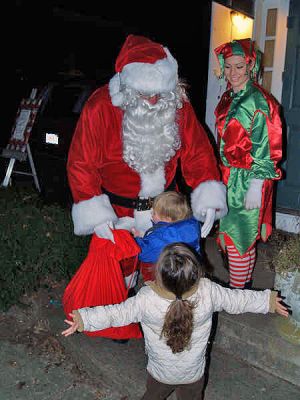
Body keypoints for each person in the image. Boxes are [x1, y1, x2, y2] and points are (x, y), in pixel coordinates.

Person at [67, 34, 227, 288]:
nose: (153, 101)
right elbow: (81, 163)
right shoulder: (100, 106)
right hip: (118, 211)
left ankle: (167, 323)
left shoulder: (176, 103)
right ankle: (123, 319)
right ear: (127, 87)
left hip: (167, 209)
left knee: (169, 277)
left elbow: (198, 152)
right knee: (119, 279)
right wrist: (96, 216)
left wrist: (208, 197)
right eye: (146, 93)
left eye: (159, 94)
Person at [61, 242, 289, 400]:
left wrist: (84, 319)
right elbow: (238, 299)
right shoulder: (208, 291)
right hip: (193, 373)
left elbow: (116, 313)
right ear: (197, 273)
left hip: (160, 372)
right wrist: (267, 301)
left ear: (159, 274)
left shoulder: (146, 299)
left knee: (152, 396)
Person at [214, 38, 282, 289]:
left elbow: (268, 144)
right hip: (229, 177)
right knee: (238, 237)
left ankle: (236, 291)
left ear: (251, 66)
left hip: (248, 178)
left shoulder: (260, 101)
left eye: (239, 67)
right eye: (229, 66)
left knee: (239, 238)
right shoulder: (228, 97)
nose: (233, 73)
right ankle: (241, 288)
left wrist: (256, 184)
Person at [132, 191, 201, 281]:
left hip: (166, 276)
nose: (151, 214)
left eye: (154, 213)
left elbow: (143, 253)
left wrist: (137, 238)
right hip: (190, 269)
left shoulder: (162, 236)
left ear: (167, 219)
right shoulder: (193, 224)